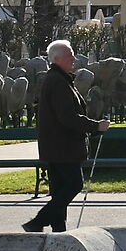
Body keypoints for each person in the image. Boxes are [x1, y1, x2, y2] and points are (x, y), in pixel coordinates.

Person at [24, 39, 106, 233]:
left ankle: (59, 230)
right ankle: (38, 221)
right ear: (58, 58)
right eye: (70, 55)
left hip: (56, 146)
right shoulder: (58, 81)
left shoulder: (59, 79)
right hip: (63, 147)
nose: (74, 58)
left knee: (60, 189)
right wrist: (96, 127)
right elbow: (68, 116)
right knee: (73, 184)